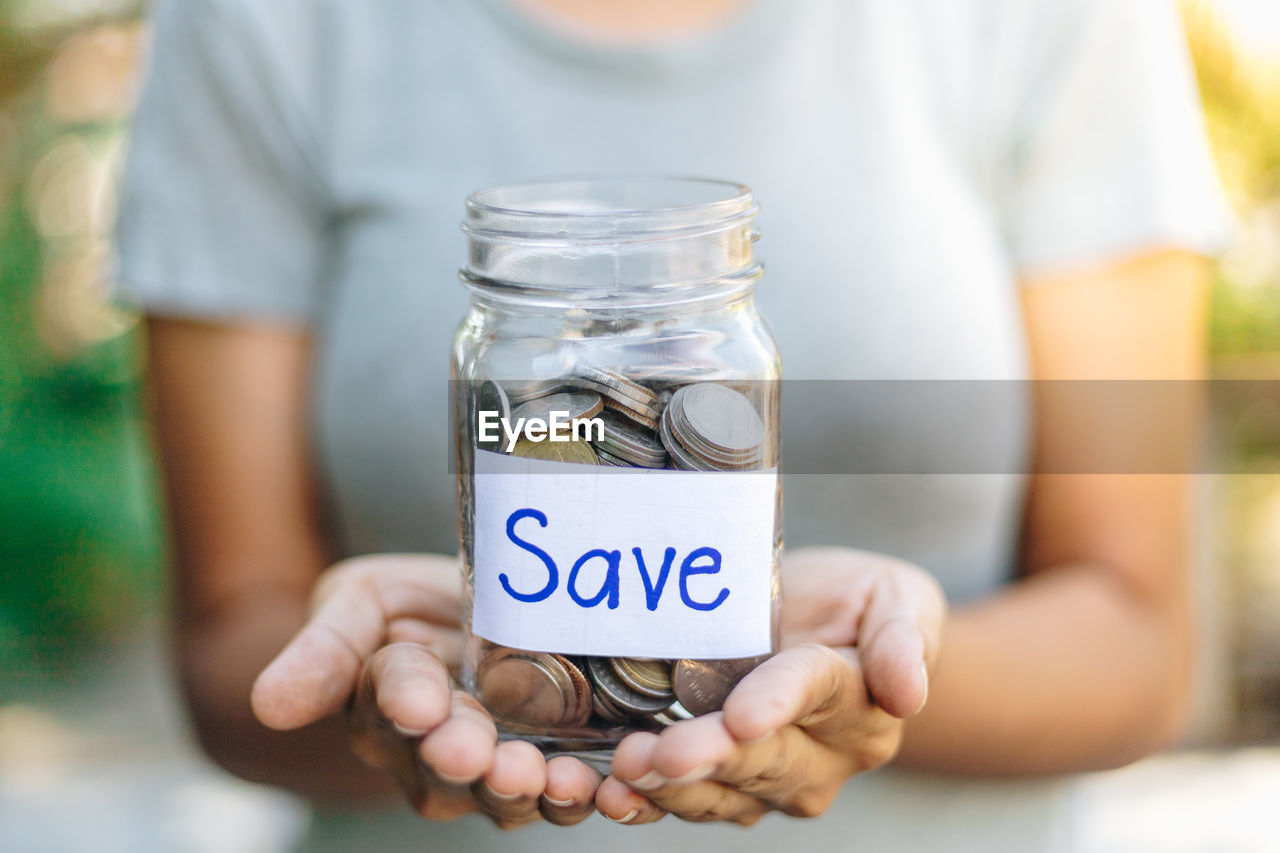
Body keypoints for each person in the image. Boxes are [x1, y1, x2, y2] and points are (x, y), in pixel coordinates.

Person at [114, 0, 1229, 849]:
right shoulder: (259, 23)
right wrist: (365, 697)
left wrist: (864, 684)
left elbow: (1135, 638)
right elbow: (230, 646)